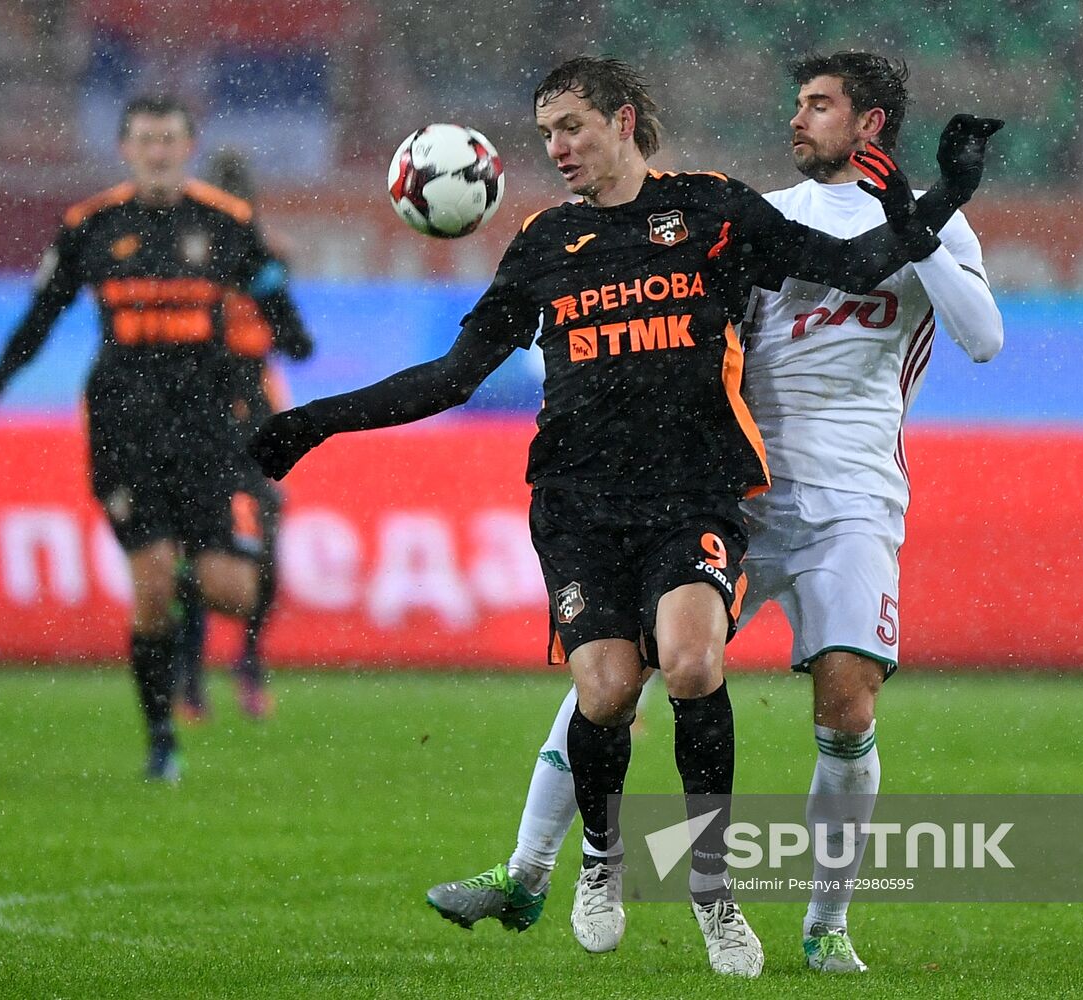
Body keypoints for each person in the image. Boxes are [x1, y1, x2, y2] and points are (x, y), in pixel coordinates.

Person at [249, 56, 995, 977]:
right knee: (605, 691)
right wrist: (316, 421)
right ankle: (552, 870)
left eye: (571, 127)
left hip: (718, 494)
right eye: (545, 134)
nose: (557, 148)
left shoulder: (717, 210)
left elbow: (859, 267)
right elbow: (450, 377)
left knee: (713, 670)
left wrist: (946, 193)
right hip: (585, 501)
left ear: (624, 120)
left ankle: (738, 898)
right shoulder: (542, 242)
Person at [0, 95, 311, 782]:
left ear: (188, 146)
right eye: (146, 140)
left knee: (236, 592)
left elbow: (275, 301)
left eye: (169, 139)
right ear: (126, 148)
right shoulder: (93, 226)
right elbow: (42, 313)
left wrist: (291, 330)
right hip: (125, 425)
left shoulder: (226, 223)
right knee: (149, 586)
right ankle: (161, 739)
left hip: (208, 427)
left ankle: (181, 571)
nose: (158, 151)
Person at [172, 149, 313, 722]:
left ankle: (248, 661)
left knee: (265, 542)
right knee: (198, 549)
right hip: (203, 414)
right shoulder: (188, 261)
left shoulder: (266, 257)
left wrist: (271, 291)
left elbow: (297, 342)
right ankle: (191, 675)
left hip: (254, 416)